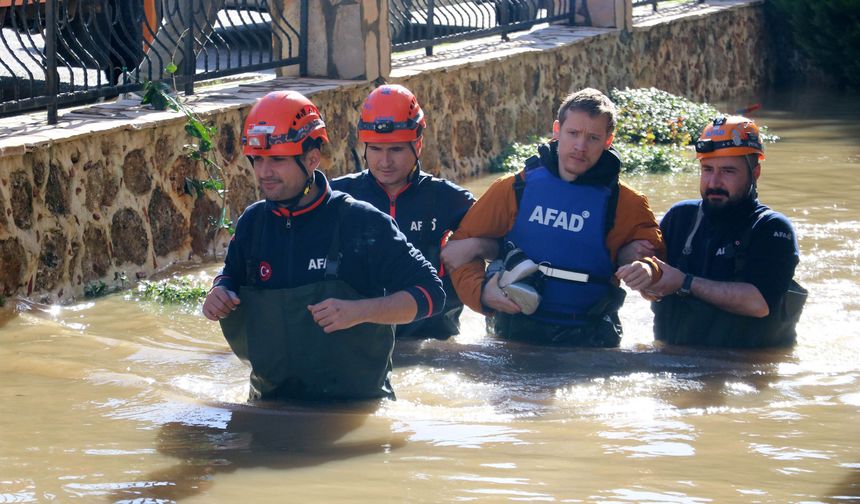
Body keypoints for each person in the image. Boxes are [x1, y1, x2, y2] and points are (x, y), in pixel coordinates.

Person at [201, 90, 445, 401]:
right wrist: (219, 293)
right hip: (270, 407)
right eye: (257, 160)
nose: (264, 172)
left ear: (312, 159)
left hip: (354, 409)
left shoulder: (363, 222)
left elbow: (431, 294)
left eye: (277, 160)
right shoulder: (253, 223)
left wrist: (360, 311)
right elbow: (229, 278)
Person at [446, 88, 664, 347]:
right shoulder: (514, 188)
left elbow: (660, 276)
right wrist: (482, 293)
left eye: (593, 138)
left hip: (591, 341)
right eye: (573, 133)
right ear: (557, 130)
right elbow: (458, 253)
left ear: (608, 141)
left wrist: (648, 269)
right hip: (513, 335)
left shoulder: (628, 203)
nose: (580, 147)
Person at [642, 115, 806, 347]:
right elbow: (654, 280)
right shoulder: (680, 218)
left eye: (728, 171)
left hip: (745, 372)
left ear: (755, 173)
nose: (714, 182)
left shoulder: (772, 228)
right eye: (707, 169)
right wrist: (644, 273)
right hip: (673, 364)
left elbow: (759, 303)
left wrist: (684, 282)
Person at [331, 84, 476, 340]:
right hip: (362, 344)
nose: (384, 162)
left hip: (433, 344)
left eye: (396, 149)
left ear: (418, 145)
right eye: (375, 149)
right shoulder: (338, 197)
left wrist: (475, 246)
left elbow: (506, 239)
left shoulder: (449, 199)